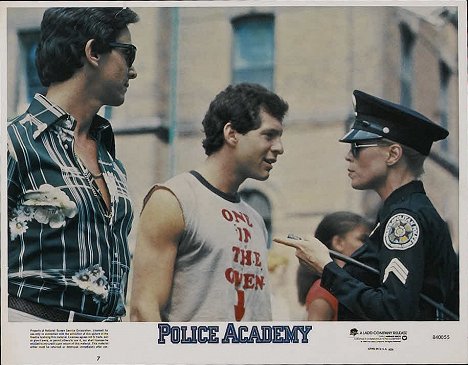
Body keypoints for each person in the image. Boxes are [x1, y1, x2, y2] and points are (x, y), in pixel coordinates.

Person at [275, 90, 459, 321]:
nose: (348, 157)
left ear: (393, 154)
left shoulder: (404, 218)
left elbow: (393, 312)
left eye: (357, 147)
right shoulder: (402, 211)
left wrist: (326, 268)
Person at [7, 7, 139, 322]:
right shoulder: (13, 144)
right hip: (34, 330)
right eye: (128, 55)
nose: (133, 71)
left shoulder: (111, 161)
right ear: (93, 52)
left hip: (106, 341)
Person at [130, 83, 289, 322]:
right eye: (268, 135)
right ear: (231, 133)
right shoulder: (174, 199)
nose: (279, 148)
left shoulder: (255, 219)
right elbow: (144, 310)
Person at [296, 212, 371, 320]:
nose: (368, 246)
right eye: (363, 239)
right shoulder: (324, 290)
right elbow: (316, 335)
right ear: (338, 243)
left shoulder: (346, 284)